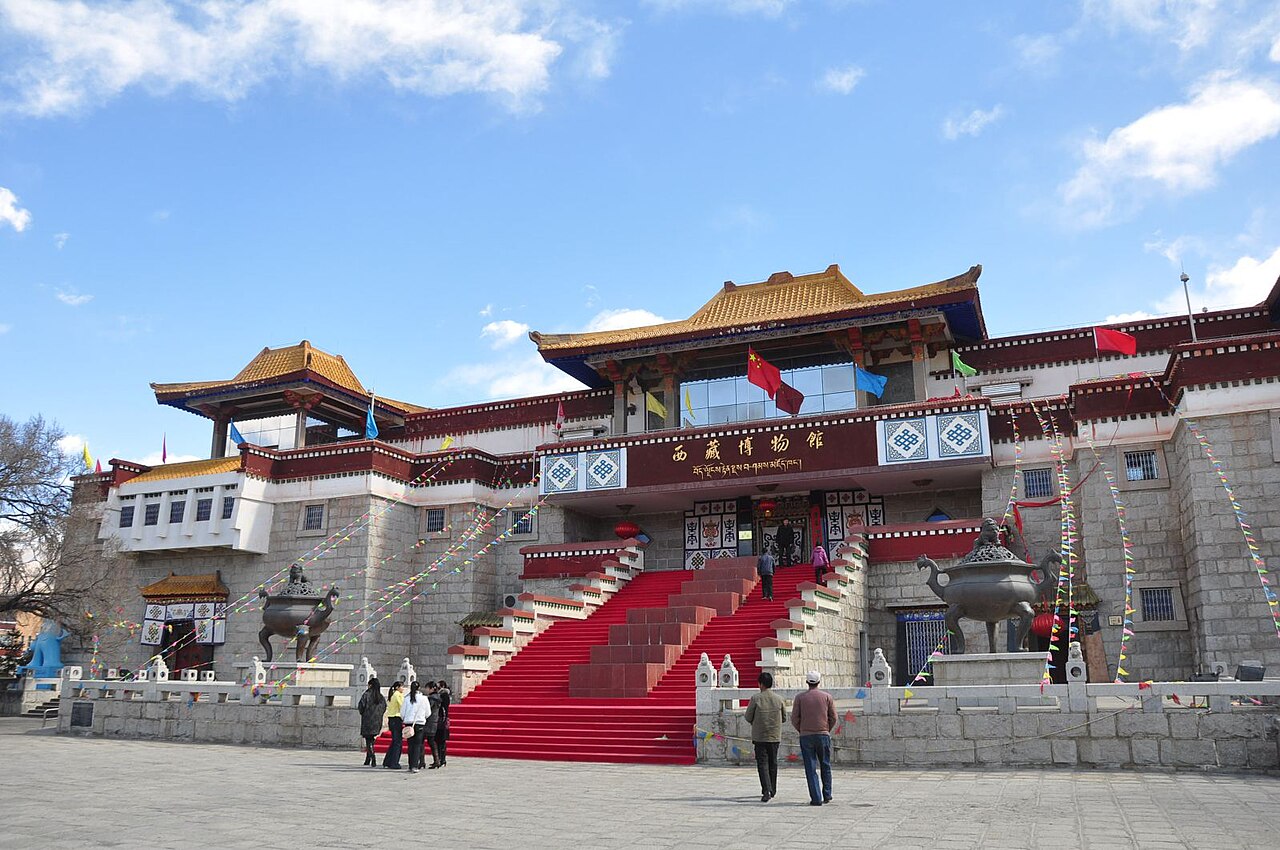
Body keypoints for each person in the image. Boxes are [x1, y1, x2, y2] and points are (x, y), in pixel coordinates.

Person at [791, 669, 837, 806]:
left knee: (810, 768)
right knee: (825, 765)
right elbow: (833, 717)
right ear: (819, 682)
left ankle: (816, 798)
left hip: (806, 736)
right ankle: (827, 794)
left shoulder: (800, 698)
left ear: (807, 682)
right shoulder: (827, 697)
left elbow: (794, 718)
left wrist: (801, 729)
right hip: (823, 734)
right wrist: (827, 729)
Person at [744, 671, 785, 802]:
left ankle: (766, 790)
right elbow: (784, 718)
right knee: (773, 763)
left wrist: (756, 723)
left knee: (762, 764)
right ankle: (772, 789)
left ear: (761, 684)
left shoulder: (756, 699)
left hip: (760, 737)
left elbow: (748, 716)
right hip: (774, 736)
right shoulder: (779, 699)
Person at [356, 677, 386, 767]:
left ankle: (373, 758)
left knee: (368, 740)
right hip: (377, 721)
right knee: (371, 740)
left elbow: (361, 707)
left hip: (368, 721)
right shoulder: (380, 697)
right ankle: (367, 759)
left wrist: (364, 714)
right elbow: (384, 708)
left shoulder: (366, 695)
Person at [403, 680, 428, 773]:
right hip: (420, 723)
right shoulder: (424, 699)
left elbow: (402, 713)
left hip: (409, 723)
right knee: (418, 745)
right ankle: (415, 765)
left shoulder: (406, 699)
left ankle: (410, 765)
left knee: (410, 745)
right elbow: (428, 712)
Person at [382, 680, 405, 769]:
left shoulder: (392, 695)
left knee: (394, 741)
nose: (403, 688)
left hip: (391, 719)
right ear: (397, 687)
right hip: (396, 719)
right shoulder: (398, 695)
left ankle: (387, 761)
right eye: (401, 686)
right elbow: (402, 706)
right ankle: (394, 762)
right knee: (397, 743)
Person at [430, 679, 451, 768]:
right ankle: (440, 759)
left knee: (440, 741)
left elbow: (444, 708)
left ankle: (442, 759)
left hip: (441, 720)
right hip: (441, 719)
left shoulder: (444, 695)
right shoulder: (442, 695)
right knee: (439, 741)